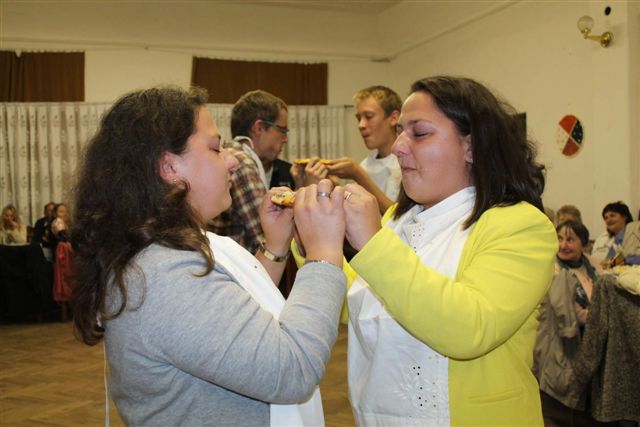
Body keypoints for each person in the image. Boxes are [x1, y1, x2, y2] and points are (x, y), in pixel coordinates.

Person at [71, 86, 348, 426]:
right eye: (216, 148)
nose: (232, 159)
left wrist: (275, 247)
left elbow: (228, 318)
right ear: (170, 167)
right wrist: (324, 254)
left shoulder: (167, 252)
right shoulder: (164, 276)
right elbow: (293, 369)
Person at [329, 76, 557, 425]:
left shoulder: (521, 226)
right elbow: (353, 305)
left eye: (419, 133)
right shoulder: (396, 219)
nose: (398, 147)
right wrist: (317, 241)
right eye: (400, 132)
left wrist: (372, 243)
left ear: (471, 147)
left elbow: (470, 328)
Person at [208, 89, 325, 254]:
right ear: (259, 127)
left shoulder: (234, 154)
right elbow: (271, 237)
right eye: (282, 130)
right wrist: (310, 190)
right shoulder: (242, 163)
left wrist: (299, 187)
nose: (285, 139)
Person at [533, 220, 605, 426]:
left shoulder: (592, 265)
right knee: (557, 401)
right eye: (560, 239)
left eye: (570, 240)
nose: (563, 245)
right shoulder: (553, 269)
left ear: (584, 244)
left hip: (587, 343)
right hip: (557, 343)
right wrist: (598, 316)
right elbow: (572, 313)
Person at [324, 85, 402, 214]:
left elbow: (399, 218)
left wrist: (359, 175)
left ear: (393, 118)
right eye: (359, 118)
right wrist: (335, 188)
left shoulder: (408, 162)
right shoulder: (366, 164)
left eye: (369, 116)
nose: (361, 125)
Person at [590, 201, 634, 266]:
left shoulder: (635, 235)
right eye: (606, 218)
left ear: (624, 216)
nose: (608, 220)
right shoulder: (602, 238)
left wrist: (626, 260)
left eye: (612, 216)